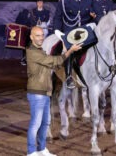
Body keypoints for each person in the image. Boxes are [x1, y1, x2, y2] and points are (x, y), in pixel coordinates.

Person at [26, 26, 82, 156]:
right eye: (38, 35)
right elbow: (54, 60)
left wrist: (63, 50)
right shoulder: (32, 52)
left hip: (45, 92)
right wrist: (69, 51)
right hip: (37, 92)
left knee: (45, 123)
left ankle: (41, 149)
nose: (41, 38)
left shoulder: (41, 51)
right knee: (35, 124)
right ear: (31, 37)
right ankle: (31, 152)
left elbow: (56, 65)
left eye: (42, 35)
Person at [53, 0, 95, 89]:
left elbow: (96, 13)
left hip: (86, 31)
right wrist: (57, 31)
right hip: (70, 32)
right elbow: (57, 17)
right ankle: (68, 77)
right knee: (70, 47)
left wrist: (94, 24)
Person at [18, 0, 51, 66]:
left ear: (43, 3)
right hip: (34, 29)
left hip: (43, 29)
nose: (39, 3)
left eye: (41, 2)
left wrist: (43, 25)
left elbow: (48, 21)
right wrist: (35, 26)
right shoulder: (32, 11)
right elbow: (30, 21)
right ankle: (25, 57)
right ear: (37, 3)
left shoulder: (47, 12)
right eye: (38, 2)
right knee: (27, 40)